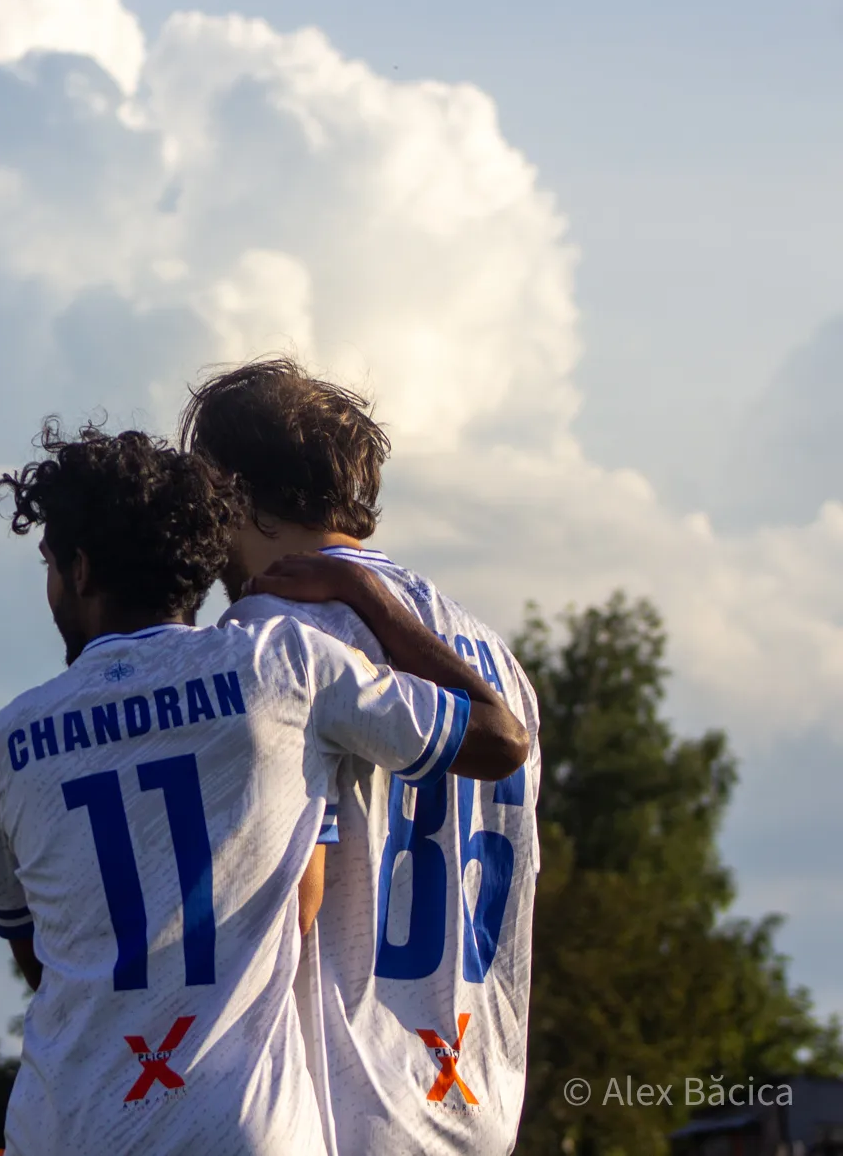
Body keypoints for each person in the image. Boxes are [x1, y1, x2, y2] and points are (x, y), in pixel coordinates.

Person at [0, 421, 529, 1156]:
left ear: (77, 568)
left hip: (66, 1121)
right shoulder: (282, 666)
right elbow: (498, 737)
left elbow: (41, 957)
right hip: (244, 1123)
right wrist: (364, 593)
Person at [182, 357, 543, 1155]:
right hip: (477, 1100)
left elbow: (285, 902)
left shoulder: (269, 640)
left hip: (341, 1104)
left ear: (228, 490)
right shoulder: (493, 656)